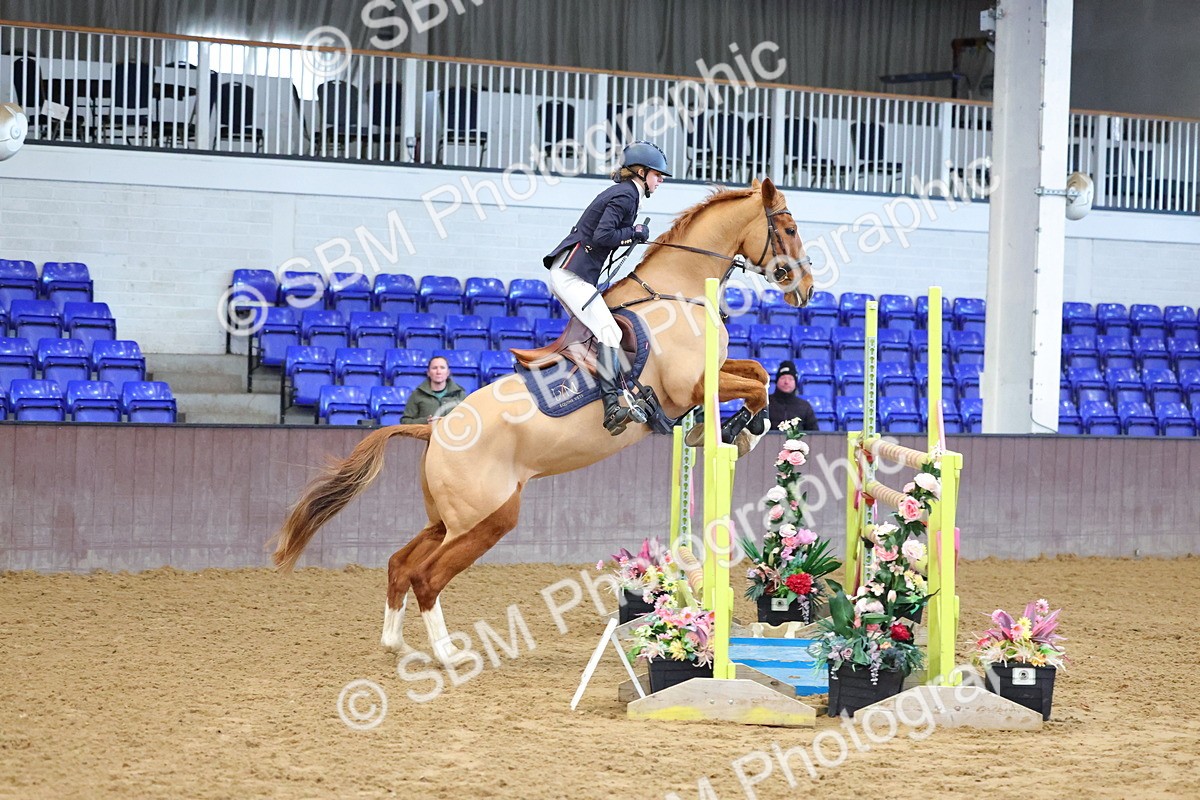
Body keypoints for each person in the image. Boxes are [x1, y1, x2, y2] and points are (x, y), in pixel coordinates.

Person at [542, 140, 670, 435]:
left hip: (574, 274)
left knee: (605, 330)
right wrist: (634, 232)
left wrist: (630, 234)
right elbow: (602, 235)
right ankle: (611, 405)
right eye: (657, 174)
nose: (660, 180)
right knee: (609, 331)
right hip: (571, 275)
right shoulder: (626, 195)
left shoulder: (628, 194)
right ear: (640, 171)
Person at [400, 356, 467, 424]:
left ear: (448, 372)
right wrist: (425, 421)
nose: (438, 372)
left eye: (442, 368)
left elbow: (469, 419)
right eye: (434, 368)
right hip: (426, 434)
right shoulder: (417, 394)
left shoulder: (460, 394)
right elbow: (405, 421)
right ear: (428, 373)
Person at [767, 360, 819, 432]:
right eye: (783, 378)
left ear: (795, 383)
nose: (786, 382)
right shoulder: (765, 403)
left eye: (790, 379)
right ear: (776, 381)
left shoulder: (805, 406)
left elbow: (815, 435)